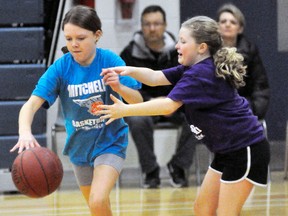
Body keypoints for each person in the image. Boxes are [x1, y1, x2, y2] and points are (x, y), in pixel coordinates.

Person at [98, 16, 270, 215]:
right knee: (202, 209)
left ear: (201, 47)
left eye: (183, 41)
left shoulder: (201, 74)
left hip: (246, 148)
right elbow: (155, 77)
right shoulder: (192, 68)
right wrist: (128, 70)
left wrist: (125, 110)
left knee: (226, 213)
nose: (177, 45)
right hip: (227, 151)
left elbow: (168, 106)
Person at [10, 5, 142, 216]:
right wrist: (24, 132)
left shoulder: (109, 60)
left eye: (80, 38)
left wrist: (119, 87)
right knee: (96, 207)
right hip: (79, 150)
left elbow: (137, 101)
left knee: (98, 200)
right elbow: (31, 105)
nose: (73, 44)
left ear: (97, 35)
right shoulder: (61, 68)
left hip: (110, 143)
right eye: (68, 38)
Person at [120, 5, 196, 188]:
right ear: (141, 26)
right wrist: (151, 103)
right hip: (145, 105)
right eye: (147, 24)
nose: (152, 28)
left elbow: (189, 82)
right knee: (137, 120)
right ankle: (150, 171)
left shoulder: (180, 51)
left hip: (176, 103)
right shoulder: (128, 54)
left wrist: (172, 101)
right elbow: (127, 90)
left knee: (199, 116)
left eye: (156, 23)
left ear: (165, 25)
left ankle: (178, 166)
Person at [216, 3, 270, 128]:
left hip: (242, 108)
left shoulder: (250, 51)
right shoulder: (207, 52)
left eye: (233, 22)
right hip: (215, 108)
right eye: (223, 21)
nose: (227, 24)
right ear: (217, 26)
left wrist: (253, 110)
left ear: (240, 28)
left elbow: (260, 87)